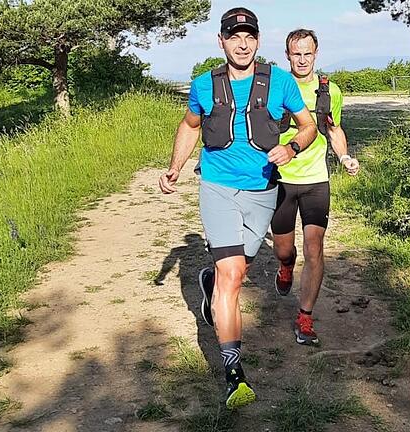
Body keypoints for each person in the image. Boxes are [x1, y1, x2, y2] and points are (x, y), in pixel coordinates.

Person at [158, 7, 317, 409]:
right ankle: (234, 374)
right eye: (234, 36)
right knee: (233, 275)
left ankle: (208, 282)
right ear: (221, 41)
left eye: (249, 36)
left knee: (238, 267)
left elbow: (308, 125)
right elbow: (190, 126)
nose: (242, 43)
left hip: (263, 189)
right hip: (217, 186)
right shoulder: (202, 85)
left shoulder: (279, 82)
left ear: (258, 41)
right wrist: (175, 167)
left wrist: (293, 146)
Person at [271, 29, 360, 346]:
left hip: (315, 180)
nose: (303, 59)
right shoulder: (274, 87)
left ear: (316, 53)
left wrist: (345, 156)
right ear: (288, 55)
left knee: (314, 248)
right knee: (284, 247)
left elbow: (334, 129)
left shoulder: (329, 91)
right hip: (280, 179)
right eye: (297, 54)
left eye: (308, 53)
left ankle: (305, 318)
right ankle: (284, 265)